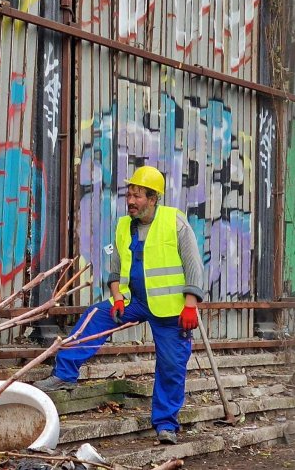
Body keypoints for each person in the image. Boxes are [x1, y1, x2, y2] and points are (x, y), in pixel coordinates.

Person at [34, 166, 205, 445]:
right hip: (134, 302)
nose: (131, 201)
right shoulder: (125, 226)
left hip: (171, 308)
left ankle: (165, 424)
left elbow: (194, 266)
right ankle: (64, 373)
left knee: (172, 365)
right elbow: (115, 270)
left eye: (137, 196)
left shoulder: (175, 222)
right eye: (130, 195)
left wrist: (190, 304)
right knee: (95, 317)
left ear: (153, 198)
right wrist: (115, 297)